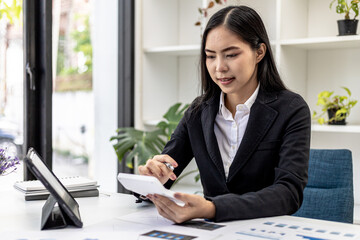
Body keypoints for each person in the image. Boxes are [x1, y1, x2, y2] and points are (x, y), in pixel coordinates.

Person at [138, 5, 311, 223]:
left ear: (259, 52)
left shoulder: (291, 109)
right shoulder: (198, 112)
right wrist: (152, 179)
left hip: (266, 229)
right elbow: (166, 171)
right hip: (212, 232)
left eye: (231, 55)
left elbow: (289, 194)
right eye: (211, 56)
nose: (219, 67)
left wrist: (212, 208)